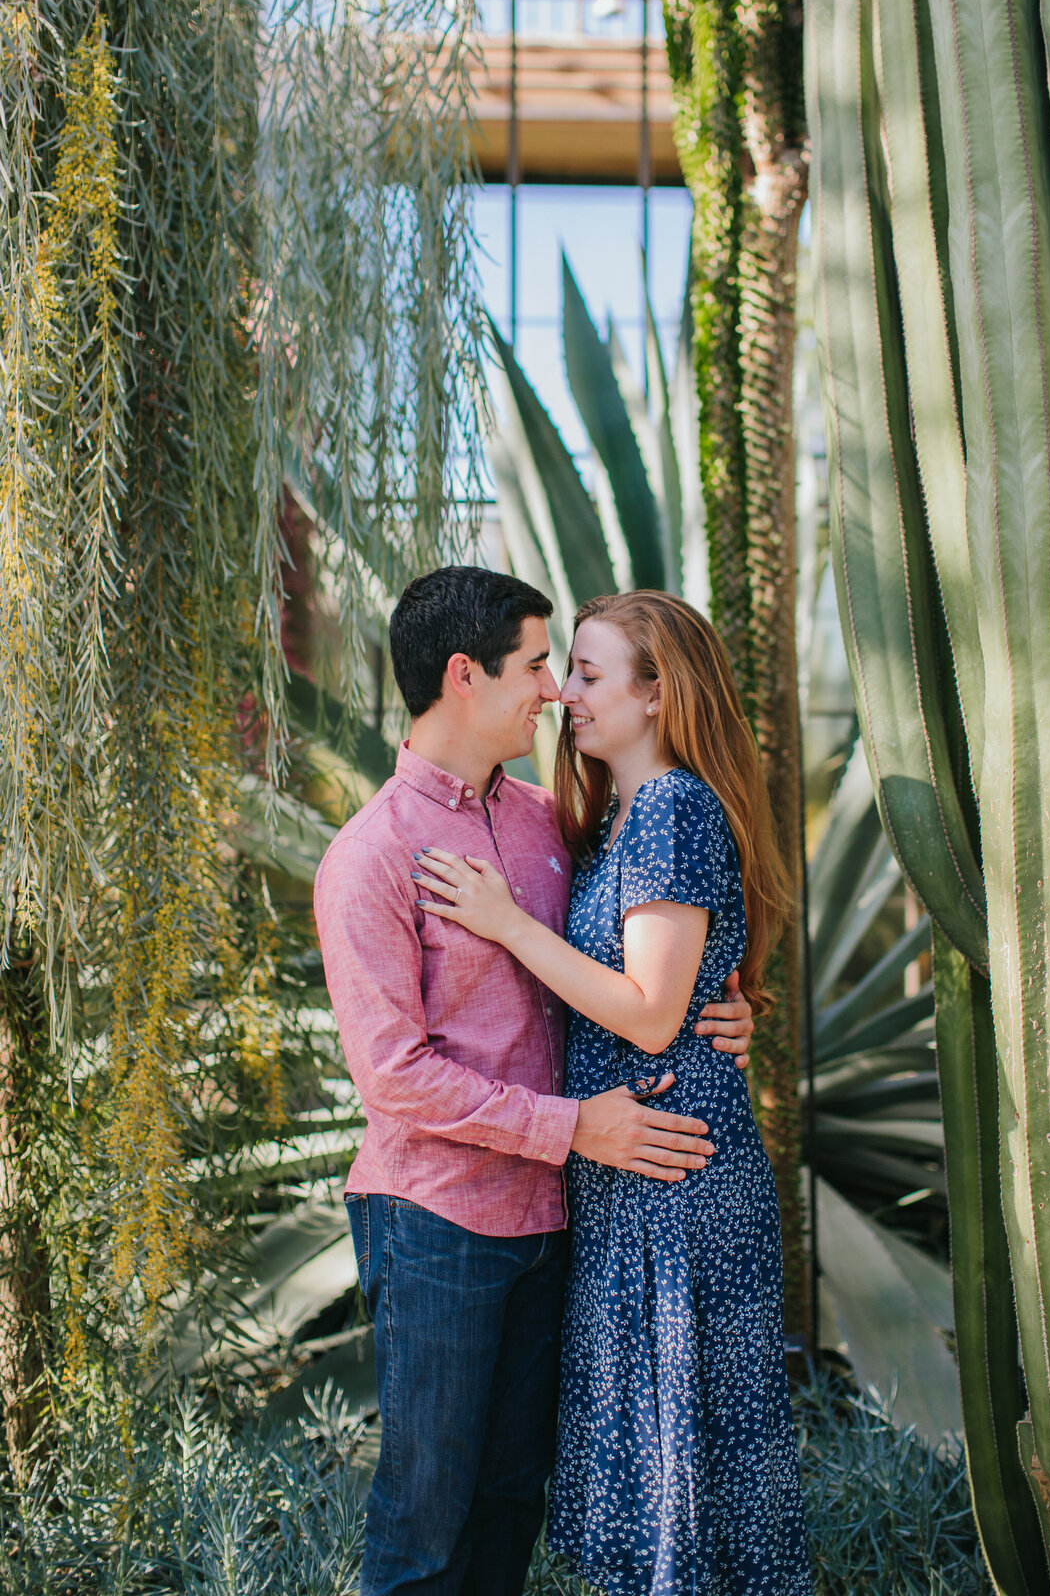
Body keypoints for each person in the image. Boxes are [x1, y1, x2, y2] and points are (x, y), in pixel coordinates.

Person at [313, 567, 756, 1596]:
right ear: (465, 676)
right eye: (538, 664)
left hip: (558, 1222)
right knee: (424, 1526)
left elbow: (640, 957)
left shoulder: (550, 824)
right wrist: (573, 1129)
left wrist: (724, 1010)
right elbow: (396, 1082)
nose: (555, 689)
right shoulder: (369, 859)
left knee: (513, 1502)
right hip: (437, 1221)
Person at [414, 589, 814, 1596]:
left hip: (674, 1187)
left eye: (587, 676)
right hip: (633, 1177)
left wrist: (505, 923)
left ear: (658, 694)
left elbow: (645, 1013)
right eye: (564, 673)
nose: (564, 697)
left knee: (688, 1481)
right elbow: (678, 988)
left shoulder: (672, 807)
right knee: (676, 1481)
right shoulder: (619, 818)